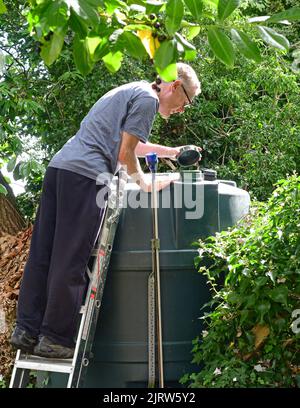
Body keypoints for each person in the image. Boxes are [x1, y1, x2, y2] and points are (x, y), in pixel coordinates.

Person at [10, 62, 201, 358]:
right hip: (86, 176)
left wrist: (171, 153)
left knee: (43, 253)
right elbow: (125, 154)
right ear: (175, 86)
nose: (183, 109)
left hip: (60, 169)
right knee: (71, 257)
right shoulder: (149, 100)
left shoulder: (130, 90)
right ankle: (55, 338)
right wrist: (144, 183)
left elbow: (130, 144)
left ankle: (26, 330)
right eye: (186, 102)